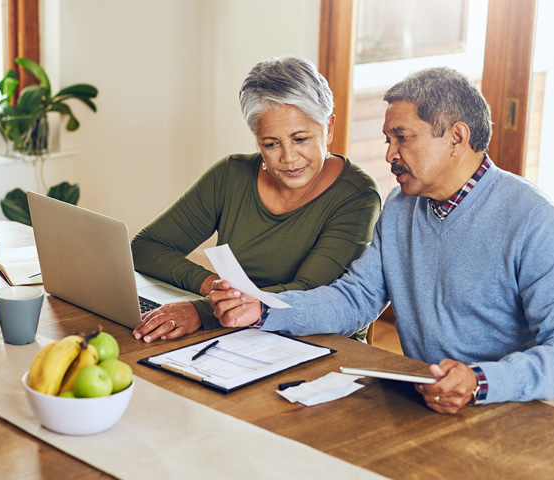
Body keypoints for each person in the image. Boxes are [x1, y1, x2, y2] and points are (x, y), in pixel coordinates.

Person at [209, 66, 554, 415]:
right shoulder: (401, 207)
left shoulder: (532, 218)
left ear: (456, 137)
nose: (389, 155)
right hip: (437, 402)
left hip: (532, 410)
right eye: (387, 140)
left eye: (402, 138)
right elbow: (355, 299)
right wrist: (263, 309)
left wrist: (481, 381)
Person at [131, 56, 382, 343]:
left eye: (301, 139)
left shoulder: (357, 195)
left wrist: (202, 312)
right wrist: (213, 287)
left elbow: (310, 292)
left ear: (329, 128)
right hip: (236, 337)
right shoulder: (231, 175)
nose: (289, 158)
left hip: (317, 344)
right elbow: (145, 248)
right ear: (256, 138)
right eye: (271, 144)